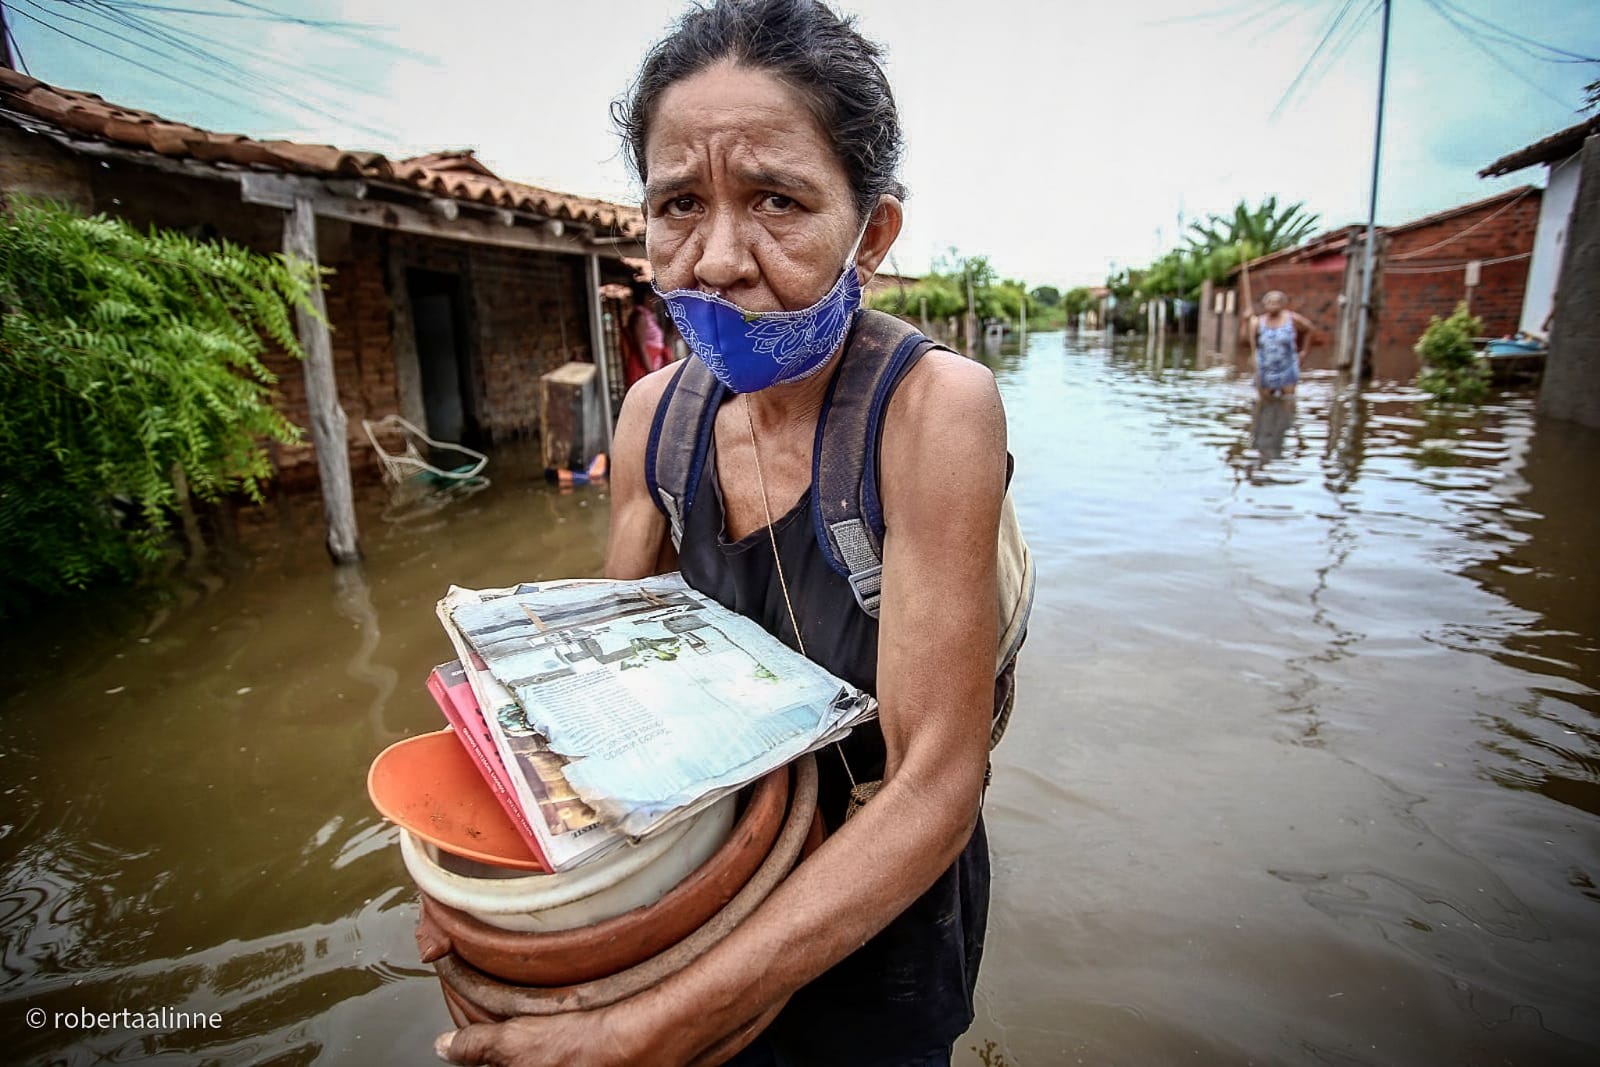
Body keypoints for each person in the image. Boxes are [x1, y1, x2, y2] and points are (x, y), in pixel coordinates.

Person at [436, 1, 1009, 1064]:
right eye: (677, 205)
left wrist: (653, 1023)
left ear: (871, 231)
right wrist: (501, 908)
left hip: (878, 915)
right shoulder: (657, 416)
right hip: (703, 882)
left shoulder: (935, 412)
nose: (716, 260)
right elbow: (598, 709)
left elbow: (936, 777)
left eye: (777, 200)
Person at [1243, 290, 1320, 398]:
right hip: (1265, 368)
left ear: (1283, 304)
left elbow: (1310, 329)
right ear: (1264, 305)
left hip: (1287, 366)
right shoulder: (1257, 321)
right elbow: (1247, 340)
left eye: (1276, 302)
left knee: (1288, 400)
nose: (1273, 305)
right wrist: (1246, 321)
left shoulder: (1292, 318)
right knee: (1265, 402)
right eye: (1270, 302)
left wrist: (1304, 352)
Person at [622, 279, 672, 389]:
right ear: (646, 297)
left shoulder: (648, 316)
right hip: (644, 365)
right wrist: (651, 372)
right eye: (653, 297)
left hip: (653, 361)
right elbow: (641, 347)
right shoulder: (640, 317)